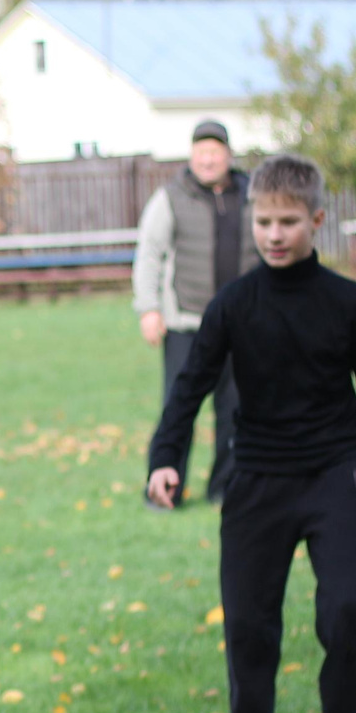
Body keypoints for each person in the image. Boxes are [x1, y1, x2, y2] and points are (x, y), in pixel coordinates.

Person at [145, 154, 356, 713]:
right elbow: (190, 384)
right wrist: (165, 455)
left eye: (288, 222)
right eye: (263, 221)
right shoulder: (233, 305)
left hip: (334, 474)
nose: (273, 234)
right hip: (256, 480)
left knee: (344, 611)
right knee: (248, 627)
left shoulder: (350, 304)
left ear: (316, 221)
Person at [133, 119, 254, 506]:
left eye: (214, 152)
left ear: (228, 155)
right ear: (191, 156)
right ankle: (164, 490)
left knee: (236, 410)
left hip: (241, 325)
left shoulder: (252, 194)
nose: (207, 159)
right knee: (178, 409)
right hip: (186, 323)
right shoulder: (171, 197)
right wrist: (149, 309)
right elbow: (149, 254)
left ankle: (225, 489)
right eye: (201, 152)